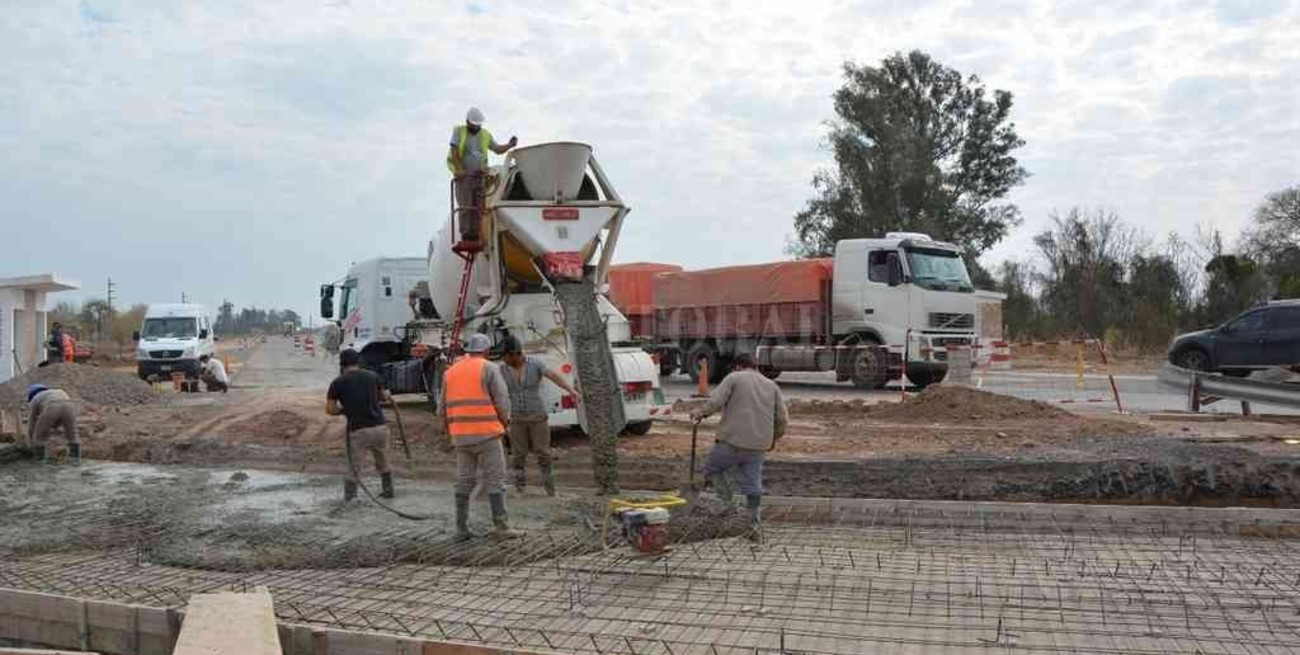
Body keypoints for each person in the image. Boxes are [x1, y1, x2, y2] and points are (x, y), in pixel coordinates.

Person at [689, 353, 789, 543]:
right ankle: (753, 524)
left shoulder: (734, 377)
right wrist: (772, 439)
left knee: (713, 471)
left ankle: (728, 505)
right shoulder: (772, 385)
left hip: (731, 441)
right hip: (758, 446)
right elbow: (782, 419)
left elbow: (716, 402)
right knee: (753, 484)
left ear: (737, 366)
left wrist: (700, 413)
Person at [441, 333, 519, 540]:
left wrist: (449, 432)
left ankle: (461, 529)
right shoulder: (489, 368)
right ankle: (501, 527)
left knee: (464, 480)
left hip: (460, 436)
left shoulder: (451, 371)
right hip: (487, 435)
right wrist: (505, 424)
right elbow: (502, 401)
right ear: (485, 351)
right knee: (495, 479)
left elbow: (442, 408)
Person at [499, 336, 577, 496]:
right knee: (518, 455)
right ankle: (520, 488)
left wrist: (571, 390)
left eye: (505, 356)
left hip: (537, 417)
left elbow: (553, 375)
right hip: (517, 418)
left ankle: (550, 489)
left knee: (543, 453)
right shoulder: (502, 369)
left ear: (514, 354)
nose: (503, 359)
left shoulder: (535, 364)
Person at [326, 349, 395, 501]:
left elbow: (330, 409)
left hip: (359, 431)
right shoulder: (373, 376)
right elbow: (385, 396)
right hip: (380, 428)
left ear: (342, 364)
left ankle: (350, 500)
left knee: (354, 468)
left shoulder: (338, 382)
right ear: (358, 362)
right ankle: (389, 492)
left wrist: (345, 411)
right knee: (383, 462)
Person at [446, 107, 518, 242]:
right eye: (474, 125)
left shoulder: (485, 134)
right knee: (466, 206)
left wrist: (509, 145)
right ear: (467, 122)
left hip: (480, 177)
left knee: (479, 206)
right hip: (464, 177)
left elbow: (497, 149)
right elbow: (454, 152)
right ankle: (467, 235)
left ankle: (478, 233)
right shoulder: (459, 132)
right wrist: (459, 169)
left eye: (478, 125)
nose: (476, 128)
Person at [26, 384, 80, 465]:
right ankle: (76, 460)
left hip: (51, 406)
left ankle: (40, 461)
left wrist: (31, 441)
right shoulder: (59, 391)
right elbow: (59, 417)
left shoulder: (35, 398)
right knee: (73, 434)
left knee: (39, 437)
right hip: (70, 406)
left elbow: (32, 422)